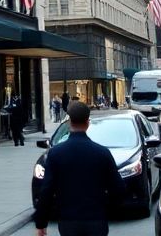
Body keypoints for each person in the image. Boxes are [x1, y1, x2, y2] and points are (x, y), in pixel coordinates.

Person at [33, 101, 126, 236]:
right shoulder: (102, 153)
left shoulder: (56, 153)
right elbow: (119, 189)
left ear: (69, 122)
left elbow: (46, 191)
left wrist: (41, 224)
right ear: (88, 123)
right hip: (96, 219)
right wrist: (106, 209)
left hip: (68, 220)